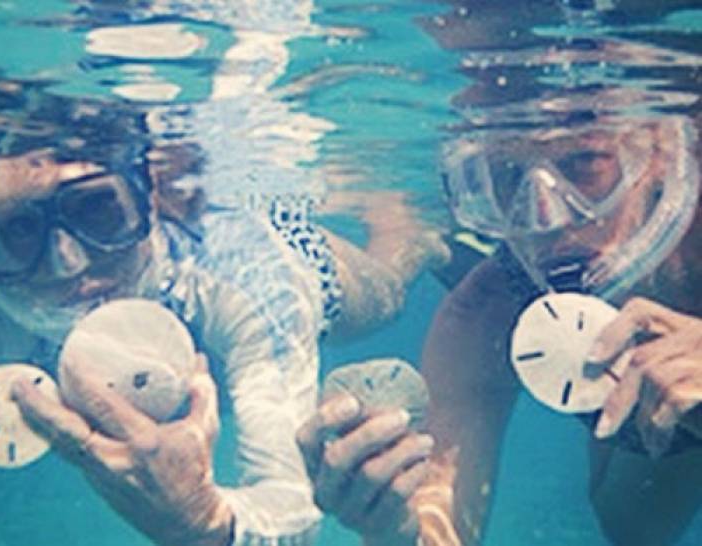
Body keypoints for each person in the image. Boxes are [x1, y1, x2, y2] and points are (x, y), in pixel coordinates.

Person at [0, 85, 448, 546]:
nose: (68, 262)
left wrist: (206, 523)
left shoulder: (249, 276)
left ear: (151, 194)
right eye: (16, 228)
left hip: (282, 259)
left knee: (387, 294)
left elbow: (292, 507)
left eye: (97, 209)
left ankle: (416, 237)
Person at [298, 109, 702, 545]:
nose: (547, 219)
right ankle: (418, 247)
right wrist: (392, 529)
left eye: (584, 162)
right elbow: (443, 522)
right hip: (492, 276)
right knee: (632, 529)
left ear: (665, 150)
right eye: (506, 176)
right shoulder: (486, 312)